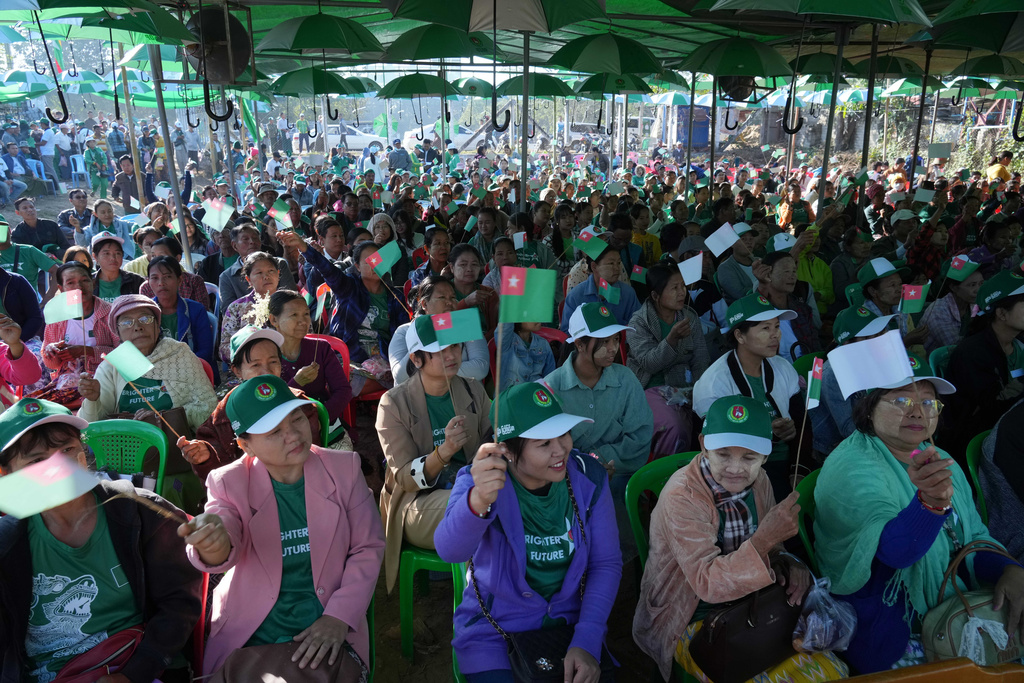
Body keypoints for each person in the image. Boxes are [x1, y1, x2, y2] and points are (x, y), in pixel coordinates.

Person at [813, 356, 1024, 673]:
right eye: (901, 400)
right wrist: (930, 504)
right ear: (869, 408)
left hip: (958, 602)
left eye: (929, 402)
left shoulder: (938, 457)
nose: (918, 411)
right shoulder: (851, 468)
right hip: (893, 626)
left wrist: (1009, 569)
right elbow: (896, 552)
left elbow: (974, 536)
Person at [181, 374, 384, 681]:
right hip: (254, 627)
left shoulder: (344, 470)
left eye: (296, 419)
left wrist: (338, 617)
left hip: (325, 621)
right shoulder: (228, 483)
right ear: (245, 445)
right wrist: (213, 543)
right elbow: (224, 529)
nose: (293, 435)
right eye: (274, 431)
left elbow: (368, 547)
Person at [634, 395, 848, 682]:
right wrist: (763, 540)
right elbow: (707, 584)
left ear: (765, 456)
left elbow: (775, 549)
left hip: (756, 600)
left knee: (832, 669)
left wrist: (787, 560)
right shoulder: (682, 497)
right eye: (723, 454)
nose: (736, 468)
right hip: (691, 615)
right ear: (703, 445)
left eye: (749, 457)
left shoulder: (760, 481)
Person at [0, 397, 203, 683]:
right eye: (36, 460)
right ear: (7, 475)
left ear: (84, 454)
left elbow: (180, 603)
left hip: (135, 663)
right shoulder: (6, 544)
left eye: (68, 450)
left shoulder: (139, 512)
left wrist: (135, 674)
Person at [435, 381, 621, 681]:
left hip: (569, 628)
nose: (561, 449)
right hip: (495, 635)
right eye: (544, 443)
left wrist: (586, 639)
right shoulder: (481, 481)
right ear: (506, 450)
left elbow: (606, 564)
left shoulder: (588, 478)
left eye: (564, 434)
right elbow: (449, 550)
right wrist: (478, 501)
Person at [376, 315, 492, 592]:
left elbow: (493, 434)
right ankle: (477, 601)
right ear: (416, 359)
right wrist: (445, 452)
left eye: (455, 347)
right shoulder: (393, 403)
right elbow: (405, 478)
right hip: (416, 502)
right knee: (473, 504)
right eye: (440, 350)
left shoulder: (472, 388)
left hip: (470, 486)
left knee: (497, 497)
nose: (451, 355)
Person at [78, 294, 219, 510]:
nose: (137, 327)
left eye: (145, 319)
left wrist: (160, 420)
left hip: (176, 460)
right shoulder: (113, 365)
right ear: (117, 332)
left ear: (157, 324)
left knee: (170, 492)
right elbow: (90, 429)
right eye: (127, 322)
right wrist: (93, 399)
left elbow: (208, 409)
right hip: (124, 465)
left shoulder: (179, 355)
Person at [546, 302, 653, 558]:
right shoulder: (553, 387)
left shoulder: (625, 380)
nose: (613, 349)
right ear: (580, 344)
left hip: (621, 473)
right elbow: (548, 449)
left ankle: (619, 561)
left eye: (616, 339)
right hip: (569, 477)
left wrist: (606, 459)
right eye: (603, 342)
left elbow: (640, 438)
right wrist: (587, 466)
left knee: (619, 494)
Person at [693, 293, 806, 498]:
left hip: (789, 462)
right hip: (743, 473)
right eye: (765, 328)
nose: (775, 335)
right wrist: (765, 432)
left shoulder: (782, 367)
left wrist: (799, 468)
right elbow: (715, 451)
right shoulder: (714, 384)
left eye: (777, 327)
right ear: (740, 336)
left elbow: (803, 420)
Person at [182, 326, 323, 484]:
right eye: (255, 365)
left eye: (273, 362)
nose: (266, 371)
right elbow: (219, 478)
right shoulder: (223, 416)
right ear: (237, 371)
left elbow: (309, 456)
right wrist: (206, 458)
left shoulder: (299, 404)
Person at [279, 230, 410, 390]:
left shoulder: (394, 296)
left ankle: (390, 389)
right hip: (350, 355)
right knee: (347, 378)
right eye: (369, 261)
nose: (375, 265)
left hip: (384, 358)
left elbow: (403, 331)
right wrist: (303, 246)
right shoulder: (348, 287)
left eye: (378, 260)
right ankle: (391, 390)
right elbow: (327, 269)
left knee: (413, 370)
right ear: (357, 266)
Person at [627, 263, 709, 459]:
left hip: (687, 388)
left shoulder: (689, 317)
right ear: (655, 296)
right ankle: (667, 473)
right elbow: (650, 363)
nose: (682, 292)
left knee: (712, 420)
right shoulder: (638, 323)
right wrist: (671, 339)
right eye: (674, 288)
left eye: (683, 286)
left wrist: (698, 392)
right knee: (675, 427)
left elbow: (701, 359)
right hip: (651, 388)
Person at [942, 270, 1024, 462]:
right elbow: (991, 409)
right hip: (982, 445)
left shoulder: (1018, 343)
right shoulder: (973, 354)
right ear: (1002, 313)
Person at [810, 305, 895, 458]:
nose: (878, 340)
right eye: (869, 337)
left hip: (876, 437)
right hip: (838, 448)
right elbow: (848, 429)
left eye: (880, 334)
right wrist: (893, 435)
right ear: (848, 343)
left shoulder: (877, 360)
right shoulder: (832, 374)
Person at [269, 290, 353, 433]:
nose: (303, 321)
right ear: (274, 320)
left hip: (324, 423)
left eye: (306, 314)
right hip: (282, 428)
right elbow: (270, 405)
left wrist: (320, 420)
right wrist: (296, 383)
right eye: (294, 315)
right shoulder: (266, 355)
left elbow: (343, 391)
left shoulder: (321, 348)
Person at [36, 261, 116, 405]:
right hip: (67, 384)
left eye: (85, 280)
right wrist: (52, 352)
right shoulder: (56, 317)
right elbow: (51, 364)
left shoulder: (110, 313)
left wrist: (88, 351)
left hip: (105, 380)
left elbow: (123, 356)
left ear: (93, 282)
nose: (79, 287)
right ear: (61, 288)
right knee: (33, 407)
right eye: (71, 283)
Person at [388, 276, 490, 384]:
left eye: (453, 298)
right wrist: (421, 336)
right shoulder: (404, 331)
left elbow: (480, 368)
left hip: (462, 394)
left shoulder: (465, 325)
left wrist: (432, 373)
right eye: (442, 297)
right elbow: (400, 376)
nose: (449, 303)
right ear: (424, 304)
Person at [147, 255, 216, 378]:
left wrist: (179, 371)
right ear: (148, 281)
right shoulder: (144, 312)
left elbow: (205, 351)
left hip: (193, 373)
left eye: (167, 277)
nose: (161, 283)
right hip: (157, 376)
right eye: (154, 278)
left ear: (179, 280)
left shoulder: (196, 310)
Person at [755, 249, 821, 362]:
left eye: (794, 271)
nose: (792, 276)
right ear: (768, 274)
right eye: (786, 271)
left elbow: (815, 348)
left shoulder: (802, 310)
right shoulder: (757, 314)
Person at [561, 242, 641, 332]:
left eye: (618, 263)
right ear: (594, 267)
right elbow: (567, 331)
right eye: (611, 263)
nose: (617, 268)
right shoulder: (576, 295)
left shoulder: (627, 293)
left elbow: (638, 326)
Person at [219, 252, 281, 363]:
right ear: (248, 279)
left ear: (278, 274)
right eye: (259, 273)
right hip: (250, 366)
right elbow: (224, 349)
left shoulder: (291, 302)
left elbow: (306, 336)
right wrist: (250, 353)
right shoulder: (236, 308)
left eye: (271, 271)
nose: (266, 276)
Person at [858, 257, 928, 354]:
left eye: (900, 284)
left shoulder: (902, 311)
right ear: (873, 291)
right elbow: (876, 358)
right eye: (892, 285)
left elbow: (918, 351)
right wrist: (906, 342)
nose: (900, 289)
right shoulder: (864, 321)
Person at [218, 224, 297, 308]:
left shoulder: (279, 264)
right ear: (234, 245)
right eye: (245, 239)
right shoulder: (227, 276)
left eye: (255, 238)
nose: (252, 241)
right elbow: (229, 310)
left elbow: (291, 296)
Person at [919, 258, 983, 353]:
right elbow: (955, 346)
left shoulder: (974, 303)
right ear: (953, 287)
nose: (978, 290)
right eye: (972, 285)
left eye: (981, 284)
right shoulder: (939, 311)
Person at [449, 243, 498, 338]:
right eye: (463, 264)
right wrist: (466, 303)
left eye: (474, 264)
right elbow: (439, 325)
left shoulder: (489, 294)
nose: (469, 269)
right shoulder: (441, 292)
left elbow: (494, 329)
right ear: (452, 267)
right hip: (452, 345)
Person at [91, 233, 144, 304]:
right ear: (95, 257)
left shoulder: (136, 281)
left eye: (117, 253)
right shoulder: (88, 282)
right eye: (106, 253)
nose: (113, 258)